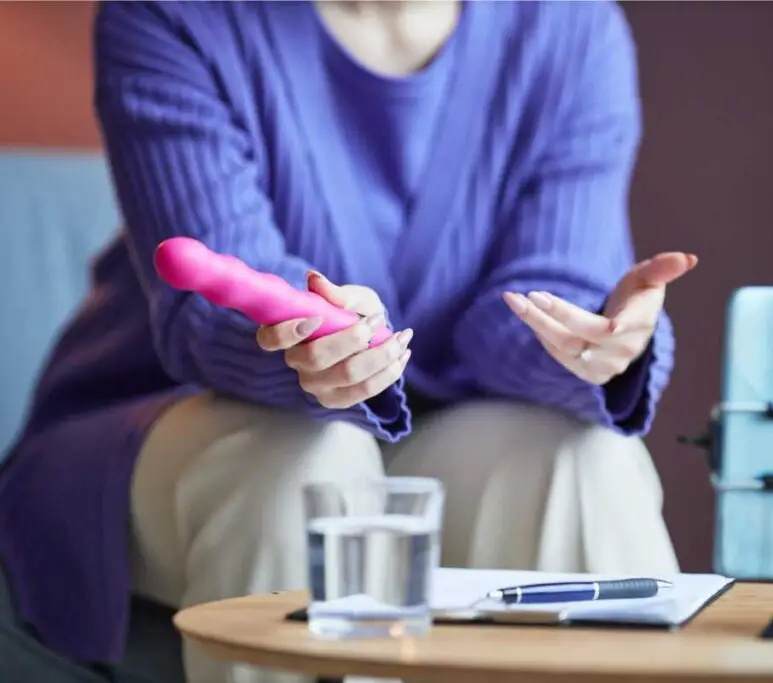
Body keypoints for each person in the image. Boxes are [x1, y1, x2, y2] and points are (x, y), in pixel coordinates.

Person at [0, 1, 697, 682]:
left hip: (448, 431)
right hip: (169, 425)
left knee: (584, 459)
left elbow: (547, 285)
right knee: (300, 464)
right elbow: (204, 310)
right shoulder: (170, 16)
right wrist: (312, 342)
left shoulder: (570, 26)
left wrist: (590, 346)